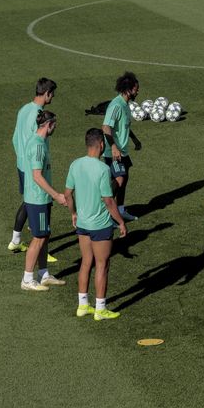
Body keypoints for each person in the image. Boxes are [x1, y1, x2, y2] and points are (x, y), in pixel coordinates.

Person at [65, 128, 128, 320]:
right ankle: (101, 308)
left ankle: (83, 305)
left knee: (86, 262)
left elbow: (68, 194)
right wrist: (121, 221)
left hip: (83, 224)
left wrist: (73, 213)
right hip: (100, 225)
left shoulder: (75, 165)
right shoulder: (102, 169)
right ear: (101, 144)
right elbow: (108, 201)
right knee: (102, 265)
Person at [9, 77, 58, 264]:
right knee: (38, 203)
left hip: (22, 163)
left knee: (28, 202)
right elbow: (35, 141)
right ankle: (41, 250)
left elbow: (15, 138)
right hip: (33, 166)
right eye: (52, 94)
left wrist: (22, 158)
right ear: (46, 93)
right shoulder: (40, 115)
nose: (52, 97)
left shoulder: (23, 109)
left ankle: (15, 239)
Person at [21, 110, 68, 292]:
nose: (55, 127)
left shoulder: (38, 141)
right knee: (38, 237)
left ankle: (43, 274)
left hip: (41, 198)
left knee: (45, 235)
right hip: (37, 198)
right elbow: (37, 176)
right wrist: (56, 195)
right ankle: (27, 278)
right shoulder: (38, 146)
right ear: (48, 125)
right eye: (54, 124)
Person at [102, 71, 141, 222]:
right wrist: (113, 147)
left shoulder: (125, 105)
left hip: (122, 151)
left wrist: (135, 140)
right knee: (119, 179)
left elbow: (124, 126)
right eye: (136, 88)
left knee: (124, 179)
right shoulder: (116, 106)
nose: (138, 91)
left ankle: (120, 210)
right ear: (128, 89)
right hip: (113, 152)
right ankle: (107, 213)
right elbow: (106, 127)